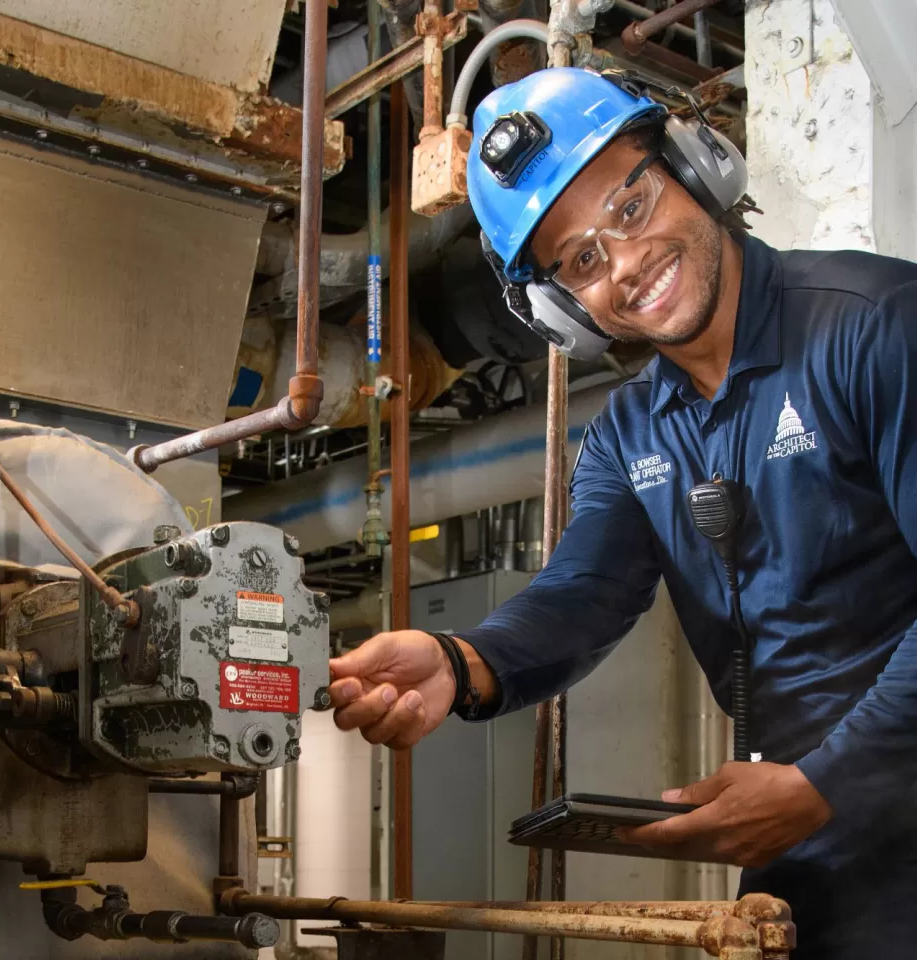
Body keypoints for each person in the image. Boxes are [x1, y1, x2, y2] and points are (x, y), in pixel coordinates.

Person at [328, 68, 917, 958]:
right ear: (561, 308)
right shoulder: (626, 436)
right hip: (800, 858)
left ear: (692, 165)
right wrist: (462, 659)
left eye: (631, 207)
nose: (627, 263)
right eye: (582, 261)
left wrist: (823, 782)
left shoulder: (879, 327)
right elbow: (583, 593)